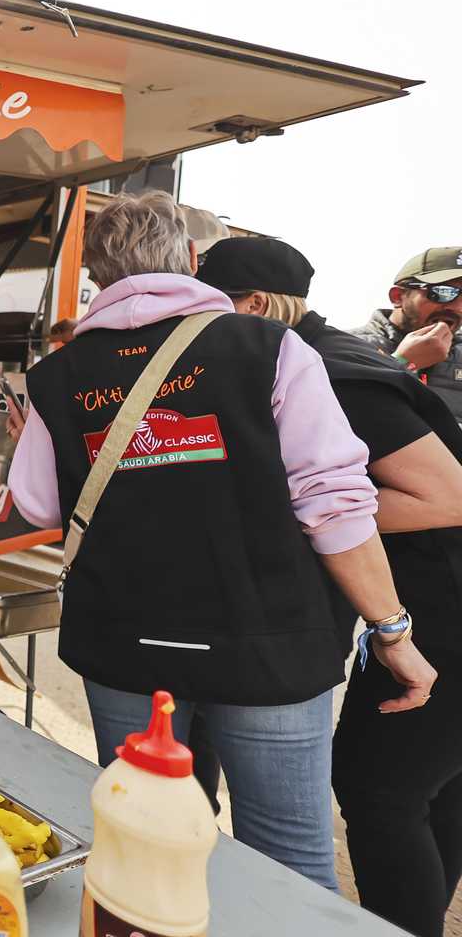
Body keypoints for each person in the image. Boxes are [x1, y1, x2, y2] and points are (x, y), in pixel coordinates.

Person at [5, 192, 435, 889]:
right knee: (286, 862)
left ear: (99, 274)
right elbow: (335, 503)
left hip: (121, 643)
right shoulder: (267, 347)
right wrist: (392, 631)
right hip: (264, 644)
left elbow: (37, 503)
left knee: (147, 841)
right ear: (192, 260)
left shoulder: (60, 373)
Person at [198, 236, 462, 937]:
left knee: (380, 793)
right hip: (439, 592)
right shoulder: (330, 354)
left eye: (205, 311)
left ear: (253, 306)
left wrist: (294, 523)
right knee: (439, 791)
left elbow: (447, 495)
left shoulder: (328, 372)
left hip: (444, 602)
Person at [353, 247, 462, 426]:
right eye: (443, 292)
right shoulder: (346, 346)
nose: (457, 308)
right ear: (397, 297)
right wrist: (404, 362)